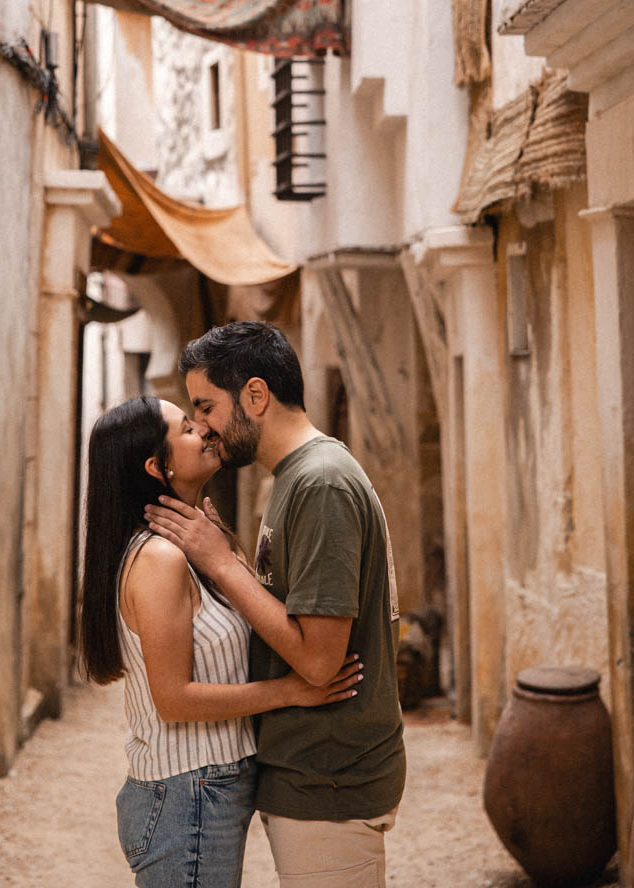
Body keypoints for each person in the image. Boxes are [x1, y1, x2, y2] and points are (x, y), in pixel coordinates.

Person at [145, 322, 406, 888]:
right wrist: (230, 555)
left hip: (329, 778)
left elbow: (318, 662)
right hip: (312, 774)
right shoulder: (296, 477)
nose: (205, 428)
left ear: (256, 395)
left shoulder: (320, 485)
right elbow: (285, 605)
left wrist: (219, 562)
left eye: (207, 406)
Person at [79, 394, 363, 888]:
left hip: (206, 789)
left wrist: (221, 553)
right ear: (156, 465)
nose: (206, 431)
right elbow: (174, 698)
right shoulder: (159, 561)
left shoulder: (195, 545)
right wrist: (291, 691)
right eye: (188, 429)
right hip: (185, 792)